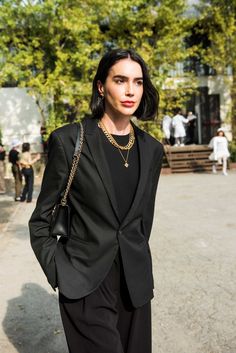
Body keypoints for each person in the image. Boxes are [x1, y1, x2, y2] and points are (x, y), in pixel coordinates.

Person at [29, 48, 163, 353]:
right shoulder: (69, 140)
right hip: (84, 280)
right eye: (120, 80)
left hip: (135, 284)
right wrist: (60, 270)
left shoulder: (152, 149)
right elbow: (40, 219)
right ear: (101, 86)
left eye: (138, 82)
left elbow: (143, 222)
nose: (131, 90)